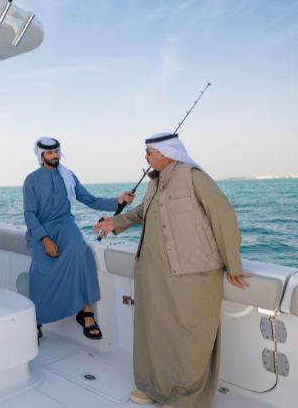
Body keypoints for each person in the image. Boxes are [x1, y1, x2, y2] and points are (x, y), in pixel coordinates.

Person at [94, 133, 249, 407]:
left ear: (167, 153)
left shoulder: (194, 176)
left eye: (150, 152)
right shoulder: (155, 183)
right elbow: (142, 212)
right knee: (155, 332)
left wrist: (233, 263)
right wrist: (114, 223)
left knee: (189, 335)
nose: (146, 157)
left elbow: (223, 215)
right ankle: (155, 388)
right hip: (154, 273)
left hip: (192, 273)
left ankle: (187, 398)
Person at [23, 137, 134, 340]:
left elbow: (89, 199)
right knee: (40, 267)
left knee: (79, 250)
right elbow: (29, 215)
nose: (54, 156)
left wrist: (117, 201)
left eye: (56, 152)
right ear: (41, 156)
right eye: (49, 153)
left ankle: (85, 312)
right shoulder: (31, 180)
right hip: (40, 229)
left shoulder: (68, 176)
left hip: (65, 224)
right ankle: (37, 319)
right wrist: (45, 240)